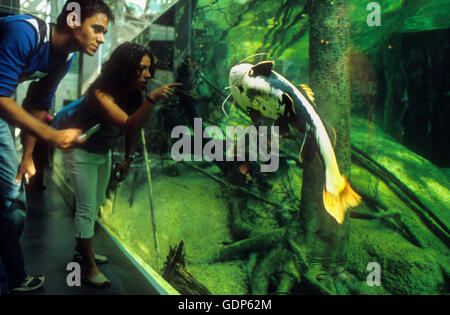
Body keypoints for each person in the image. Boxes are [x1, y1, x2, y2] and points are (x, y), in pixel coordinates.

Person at [0, 0, 114, 294]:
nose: (101, 39)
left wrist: (27, 157)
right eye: (97, 29)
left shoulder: (64, 58)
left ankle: (12, 277)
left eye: (104, 32)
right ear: (73, 21)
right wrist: (52, 137)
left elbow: (38, 105)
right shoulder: (27, 33)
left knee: (13, 199)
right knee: (11, 200)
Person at [52, 42, 180, 288]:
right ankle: (88, 268)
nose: (148, 74)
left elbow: (134, 126)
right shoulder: (100, 94)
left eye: (149, 69)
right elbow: (129, 125)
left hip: (103, 153)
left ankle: (84, 251)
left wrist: (129, 158)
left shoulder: (133, 93)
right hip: (81, 153)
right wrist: (153, 98)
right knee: (86, 209)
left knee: (97, 203)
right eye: (142, 69)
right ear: (125, 68)